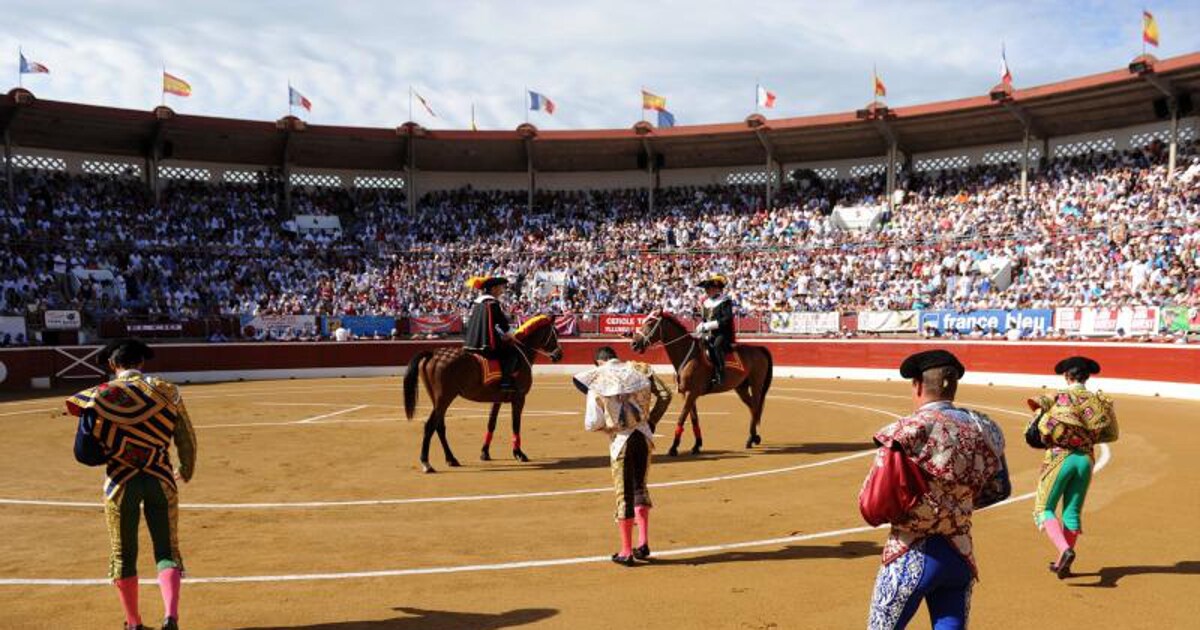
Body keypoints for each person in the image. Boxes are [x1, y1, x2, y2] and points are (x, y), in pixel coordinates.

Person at [865, 349, 1010, 630]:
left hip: (910, 554)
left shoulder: (904, 432)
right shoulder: (986, 429)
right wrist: (956, 505)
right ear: (954, 385)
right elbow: (1000, 489)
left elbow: (874, 505)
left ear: (918, 384)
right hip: (960, 554)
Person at [65, 339, 197, 630]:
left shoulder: (98, 397)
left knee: (123, 554)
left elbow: (83, 453)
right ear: (142, 363)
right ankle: (171, 617)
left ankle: (135, 623)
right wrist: (185, 469)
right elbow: (186, 437)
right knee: (167, 550)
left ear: (113, 365)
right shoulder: (167, 391)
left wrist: (114, 452)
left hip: (120, 482)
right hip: (161, 478)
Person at [1025, 356, 1118, 578]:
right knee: (1072, 512)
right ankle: (1062, 563)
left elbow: (1036, 431)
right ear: (1087, 377)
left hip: (1061, 458)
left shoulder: (1057, 398)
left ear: (1067, 376)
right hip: (1085, 460)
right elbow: (1112, 434)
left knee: (1043, 509)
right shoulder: (1099, 401)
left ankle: (1064, 550)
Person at [574, 346, 656, 566]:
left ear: (599, 363)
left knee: (624, 494)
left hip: (621, 441)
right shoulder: (639, 372)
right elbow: (662, 394)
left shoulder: (598, 382)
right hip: (644, 436)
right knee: (640, 487)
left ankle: (626, 551)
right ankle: (643, 543)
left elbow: (592, 423)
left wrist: (608, 427)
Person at [463, 276, 518, 391]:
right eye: (500, 288)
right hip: (485, 342)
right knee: (511, 353)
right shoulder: (492, 303)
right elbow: (502, 323)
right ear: (493, 289)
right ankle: (505, 382)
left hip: (471, 342)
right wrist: (511, 333)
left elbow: (490, 323)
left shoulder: (478, 303)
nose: (502, 291)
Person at [694, 274, 735, 388]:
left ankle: (721, 373)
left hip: (723, 333)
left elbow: (727, 319)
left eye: (709, 288)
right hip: (709, 333)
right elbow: (705, 319)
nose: (707, 291)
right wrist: (702, 326)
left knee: (716, 346)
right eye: (706, 289)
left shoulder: (725, 301)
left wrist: (709, 325)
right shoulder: (706, 303)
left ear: (717, 289)